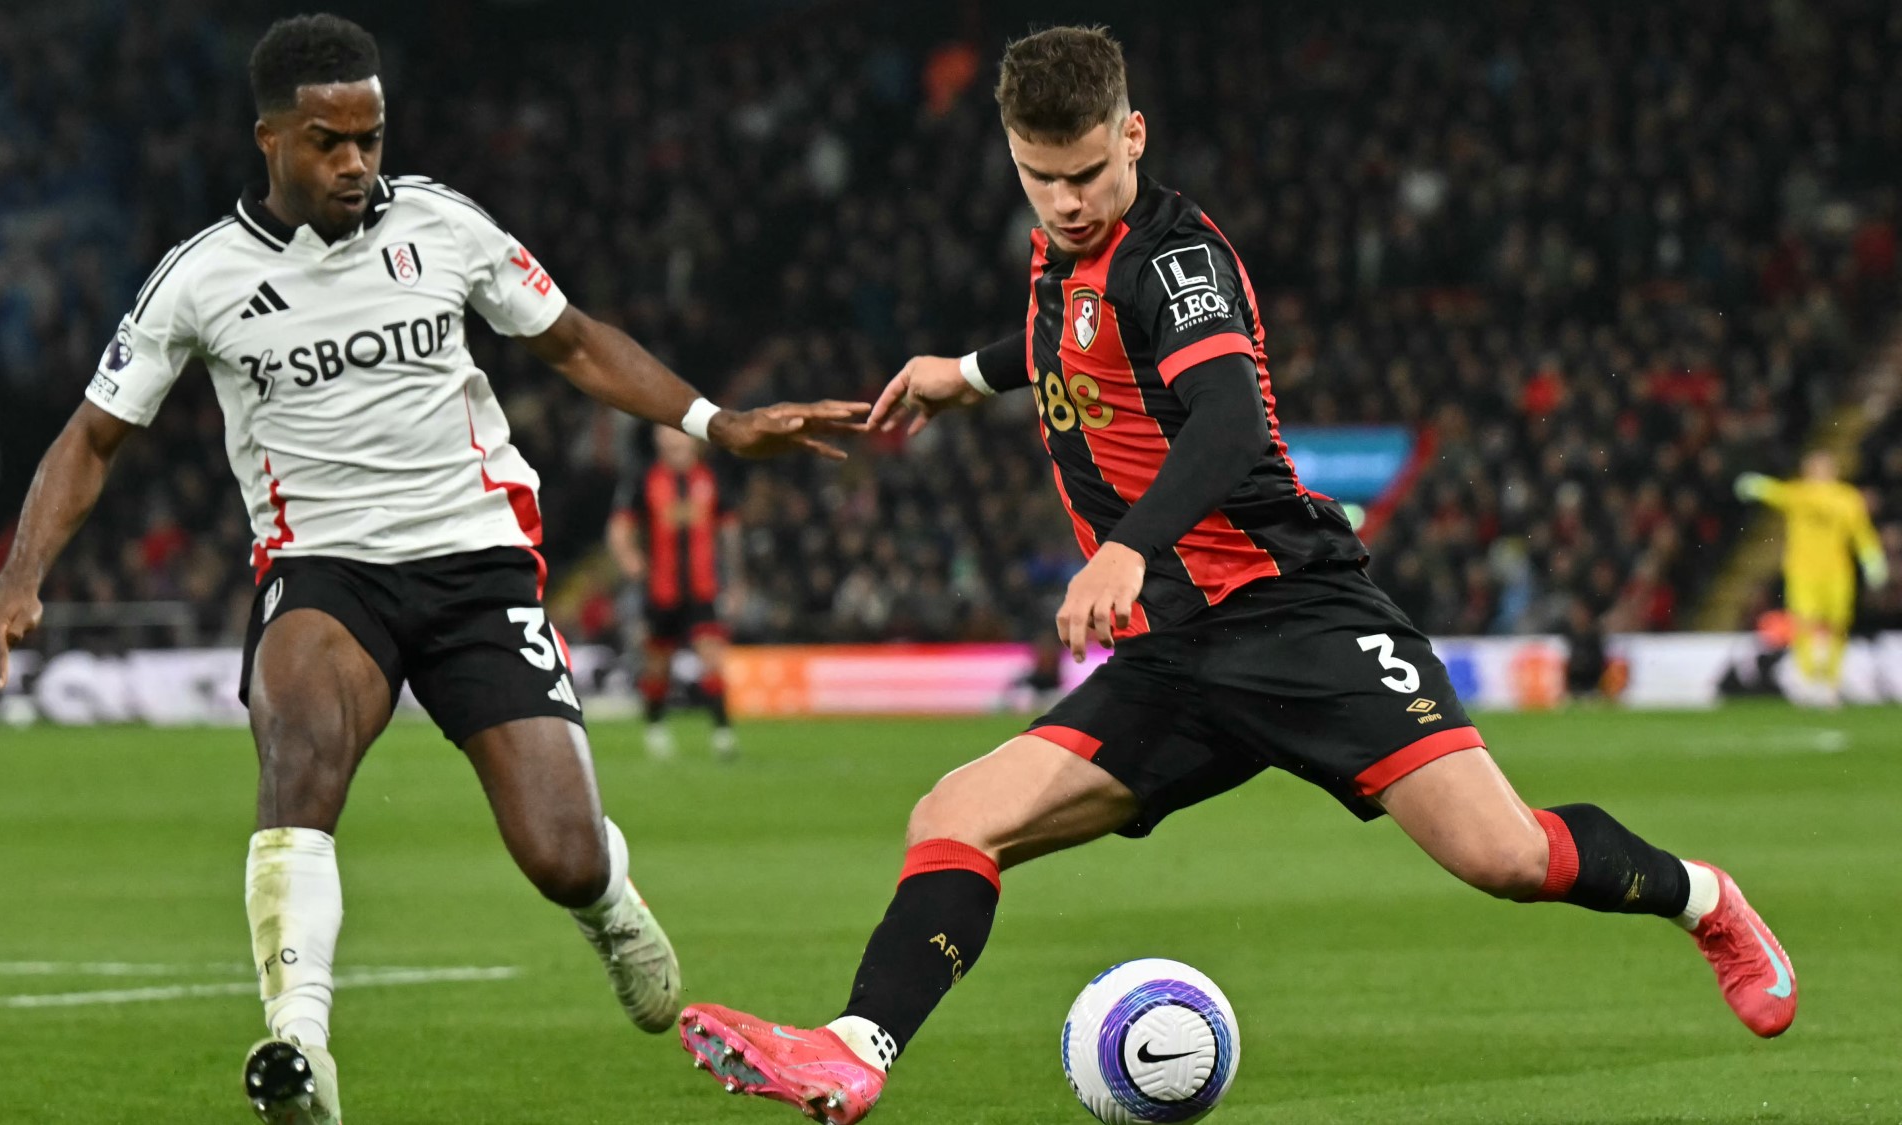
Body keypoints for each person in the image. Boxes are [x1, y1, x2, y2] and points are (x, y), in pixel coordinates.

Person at [675, 27, 1798, 1124]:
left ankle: (1704, 898)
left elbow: (1228, 421)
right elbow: (1071, 340)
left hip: (1294, 616)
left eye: (1087, 173)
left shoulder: (1176, 261)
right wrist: (965, 374)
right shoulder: (1065, 255)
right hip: (1173, 652)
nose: (1066, 201)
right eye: (1039, 177)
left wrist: (1128, 545)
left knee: (1502, 856)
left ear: (1134, 135)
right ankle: (853, 1050)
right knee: (956, 812)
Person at [0, 15, 865, 1125]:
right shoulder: (200, 278)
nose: (355, 163)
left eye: (370, 138)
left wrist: (717, 422)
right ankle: (299, 1047)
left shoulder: (443, 224)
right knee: (298, 760)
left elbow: (573, 341)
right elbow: (93, 436)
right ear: (270, 139)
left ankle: (608, 898)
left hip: (476, 562)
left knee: (560, 856)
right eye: (328, 142)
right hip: (323, 568)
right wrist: (19, 580)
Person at [607, 426, 739, 759]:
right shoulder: (645, 480)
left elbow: (729, 529)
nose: (673, 442)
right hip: (660, 591)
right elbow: (620, 526)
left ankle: (723, 734)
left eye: (678, 436)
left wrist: (736, 580)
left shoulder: (711, 478)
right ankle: (655, 727)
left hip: (703, 588)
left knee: (712, 658)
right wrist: (628, 557)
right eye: (667, 436)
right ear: (659, 442)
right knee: (657, 666)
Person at [1736, 451, 1889, 704]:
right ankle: (1808, 680)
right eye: (1814, 468)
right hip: (1803, 572)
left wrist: (1872, 559)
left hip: (1837, 573)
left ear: (1833, 471)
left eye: (1823, 468)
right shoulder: (1800, 493)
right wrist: (1756, 485)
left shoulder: (1847, 498)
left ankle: (1830, 681)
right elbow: (1775, 492)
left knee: (1838, 625)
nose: (1819, 473)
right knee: (1804, 625)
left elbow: (1862, 533)